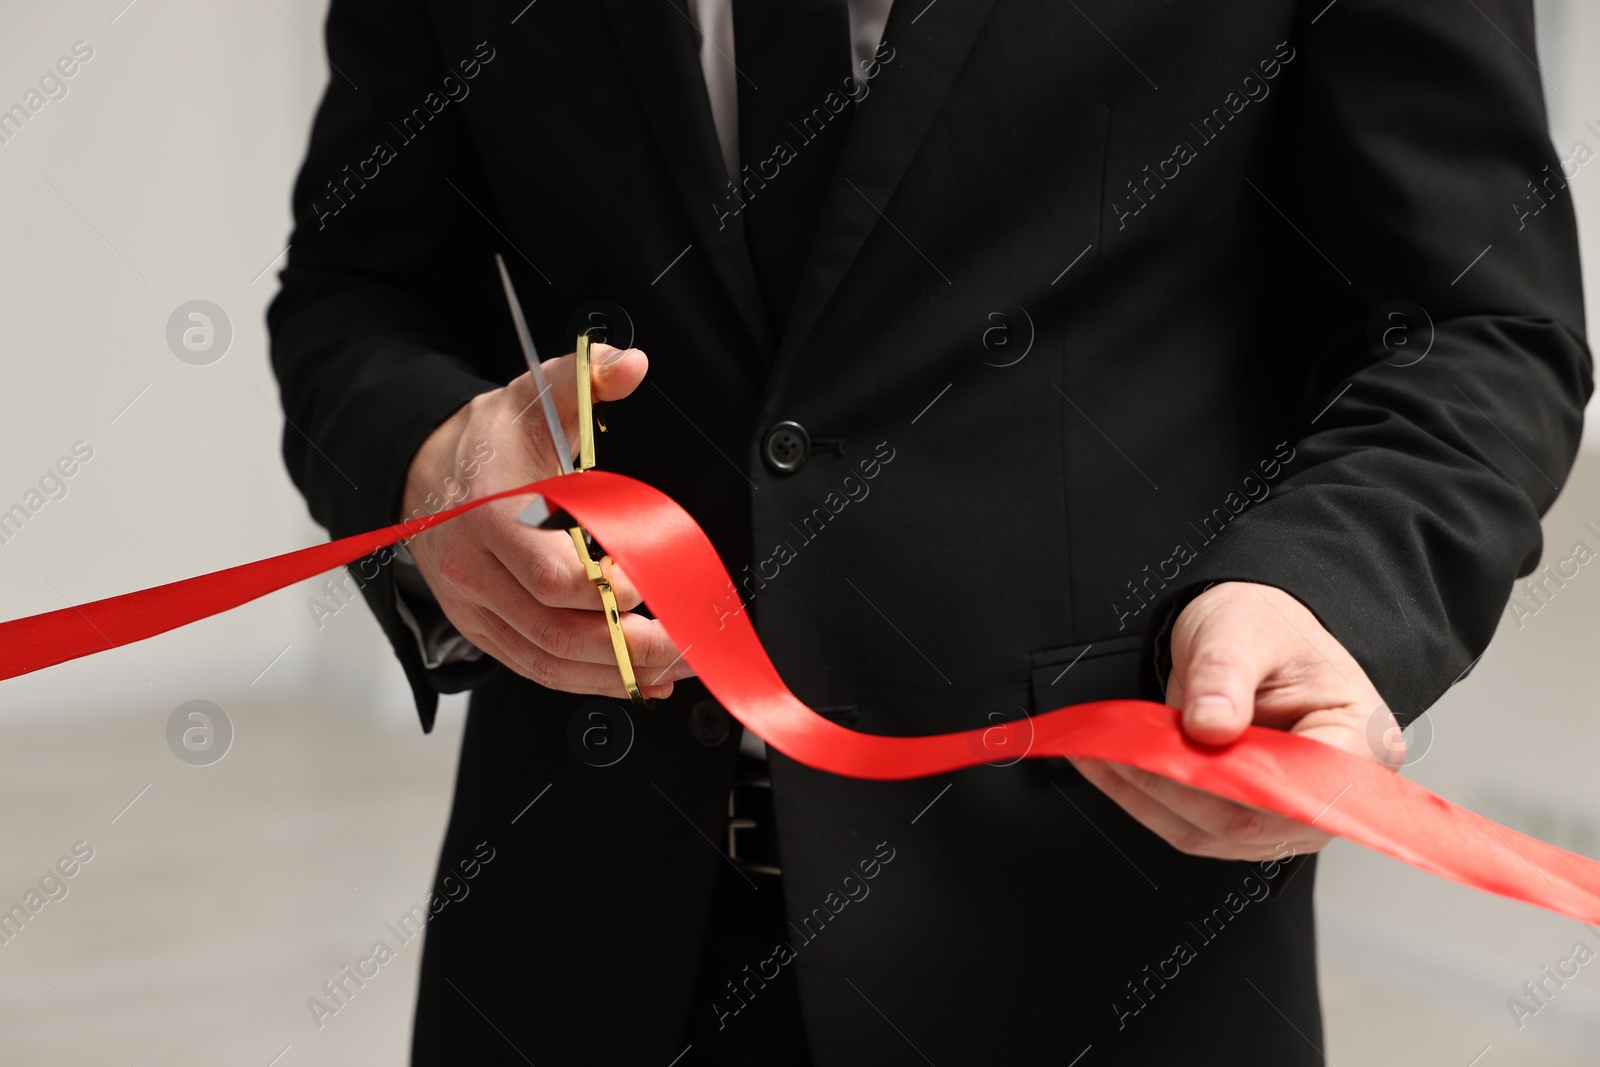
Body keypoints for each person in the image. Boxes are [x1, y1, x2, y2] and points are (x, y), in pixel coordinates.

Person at [267, 1, 1589, 1063]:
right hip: (575, 925)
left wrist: (1329, 593)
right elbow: (356, 291)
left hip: (1085, 940)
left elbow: (1475, 326)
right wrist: (433, 468)